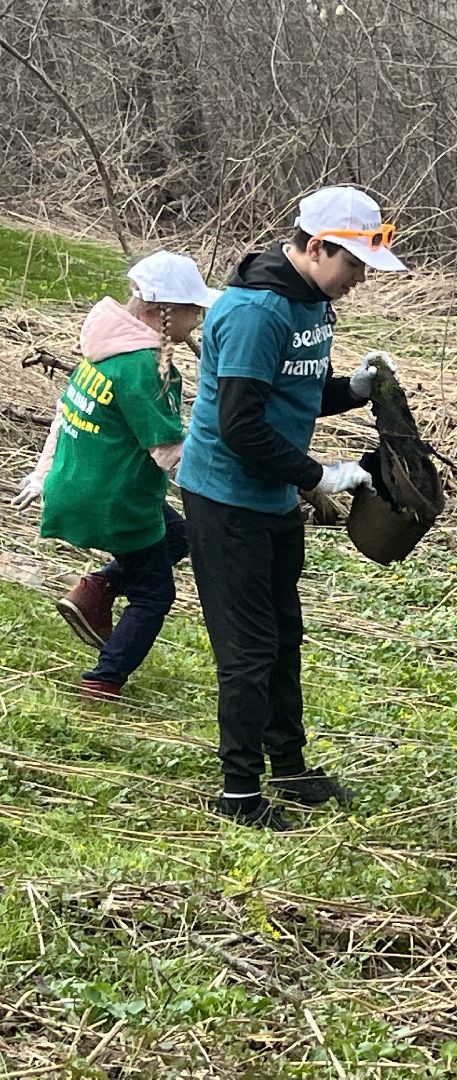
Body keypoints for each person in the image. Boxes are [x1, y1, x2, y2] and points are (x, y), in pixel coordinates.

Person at [177, 185, 407, 831]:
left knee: (284, 637)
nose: (359, 280)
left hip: (272, 497)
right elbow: (240, 426)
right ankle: (240, 793)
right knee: (249, 650)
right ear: (314, 246)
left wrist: (356, 389)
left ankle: (291, 769)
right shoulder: (257, 312)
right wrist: (320, 475)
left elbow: (299, 393)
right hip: (226, 498)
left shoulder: (314, 304)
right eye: (354, 265)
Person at [11, 252, 217, 699]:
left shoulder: (105, 345)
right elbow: (167, 453)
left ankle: (97, 586)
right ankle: (103, 680)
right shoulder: (144, 367)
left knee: (178, 535)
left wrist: (43, 473)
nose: (197, 321)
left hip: (81, 483)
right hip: (117, 501)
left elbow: (64, 415)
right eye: (192, 311)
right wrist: (226, 481)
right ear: (164, 313)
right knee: (154, 595)